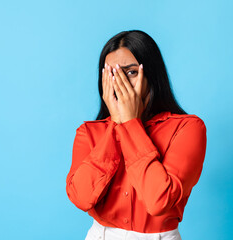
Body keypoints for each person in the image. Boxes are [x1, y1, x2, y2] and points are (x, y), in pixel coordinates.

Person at [66, 30, 207, 240]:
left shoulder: (187, 128)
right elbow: (82, 198)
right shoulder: (89, 132)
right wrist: (116, 124)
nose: (120, 82)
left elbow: (159, 200)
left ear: (151, 74)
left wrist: (131, 123)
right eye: (111, 74)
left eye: (130, 72)